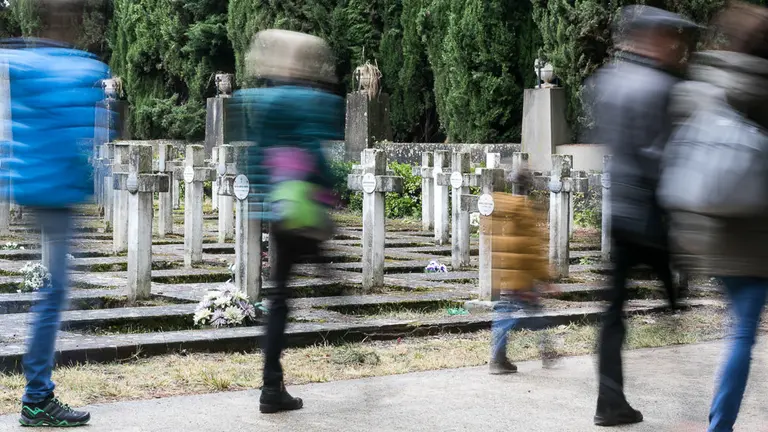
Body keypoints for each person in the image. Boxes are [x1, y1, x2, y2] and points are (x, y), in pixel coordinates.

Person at [0, 0, 112, 427]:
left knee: (51, 293)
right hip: (57, 194)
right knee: (52, 295)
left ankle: (38, 394)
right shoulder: (81, 68)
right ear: (74, 22)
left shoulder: (25, 62)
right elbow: (86, 133)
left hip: (32, 188)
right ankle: (36, 397)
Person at [586, 5, 698, 427]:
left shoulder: (609, 81)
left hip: (618, 210)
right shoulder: (662, 85)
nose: (677, 47)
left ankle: (608, 401)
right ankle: (674, 305)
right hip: (648, 211)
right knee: (666, 277)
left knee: (613, 313)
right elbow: (665, 156)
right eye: (671, 39)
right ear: (653, 39)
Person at [664, 3, 768, 431]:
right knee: (742, 333)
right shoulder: (763, 88)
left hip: (707, 234)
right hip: (755, 238)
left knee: (738, 328)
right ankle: (719, 424)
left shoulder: (705, 81)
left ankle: (719, 424)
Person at [228, 29, 343, 414]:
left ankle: (271, 384)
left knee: (279, 295)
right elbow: (315, 153)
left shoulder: (256, 100)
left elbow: (254, 157)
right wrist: (329, 191)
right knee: (305, 279)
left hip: (276, 206)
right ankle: (342, 317)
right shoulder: (307, 101)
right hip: (303, 204)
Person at [488, 170, 559, 374]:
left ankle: (502, 358)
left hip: (505, 273)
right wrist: (545, 278)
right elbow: (531, 250)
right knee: (532, 315)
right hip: (522, 277)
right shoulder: (525, 212)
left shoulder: (502, 207)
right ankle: (545, 352)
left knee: (507, 315)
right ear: (530, 186)